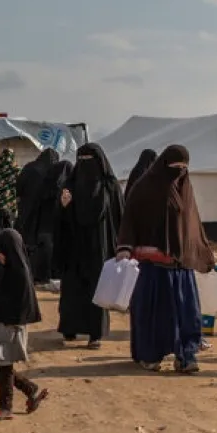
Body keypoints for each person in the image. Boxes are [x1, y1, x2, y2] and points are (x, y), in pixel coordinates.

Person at [115, 145, 216, 373]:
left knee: (186, 315)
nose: (179, 172)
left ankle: (186, 356)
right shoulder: (143, 188)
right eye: (175, 167)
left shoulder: (185, 189)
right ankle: (150, 355)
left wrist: (203, 254)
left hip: (180, 267)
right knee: (153, 316)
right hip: (151, 267)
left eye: (183, 168)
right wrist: (125, 247)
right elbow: (129, 219)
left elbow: (193, 226)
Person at [0, 229, 48, 421]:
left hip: (10, 326)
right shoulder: (7, 271)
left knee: (2, 364)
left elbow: (10, 302)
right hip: (1, 322)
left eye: (1, 250)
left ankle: (5, 407)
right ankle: (29, 389)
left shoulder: (20, 275)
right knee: (1, 364)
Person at [56, 143, 123, 349]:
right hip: (74, 247)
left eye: (89, 161)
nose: (85, 166)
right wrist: (64, 207)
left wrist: (120, 247)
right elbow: (58, 220)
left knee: (96, 290)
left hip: (99, 248)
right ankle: (70, 328)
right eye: (81, 160)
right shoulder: (69, 185)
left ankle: (95, 334)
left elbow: (119, 217)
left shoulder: (110, 186)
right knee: (73, 289)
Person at [16, 148, 65, 284]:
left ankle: (23, 271)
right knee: (42, 243)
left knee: (25, 240)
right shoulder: (54, 170)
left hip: (26, 210)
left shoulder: (29, 167)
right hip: (44, 212)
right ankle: (41, 273)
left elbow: (18, 187)